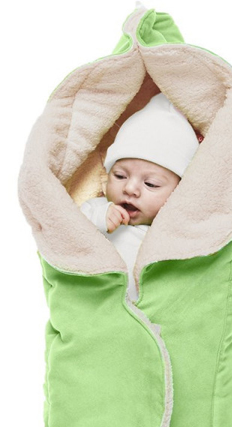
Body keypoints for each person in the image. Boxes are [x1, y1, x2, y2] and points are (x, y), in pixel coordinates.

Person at [80, 92, 200, 302]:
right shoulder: (96, 208)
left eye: (150, 184)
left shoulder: (175, 226)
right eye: (120, 176)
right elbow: (67, 232)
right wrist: (99, 218)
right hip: (94, 301)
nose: (130, 188)